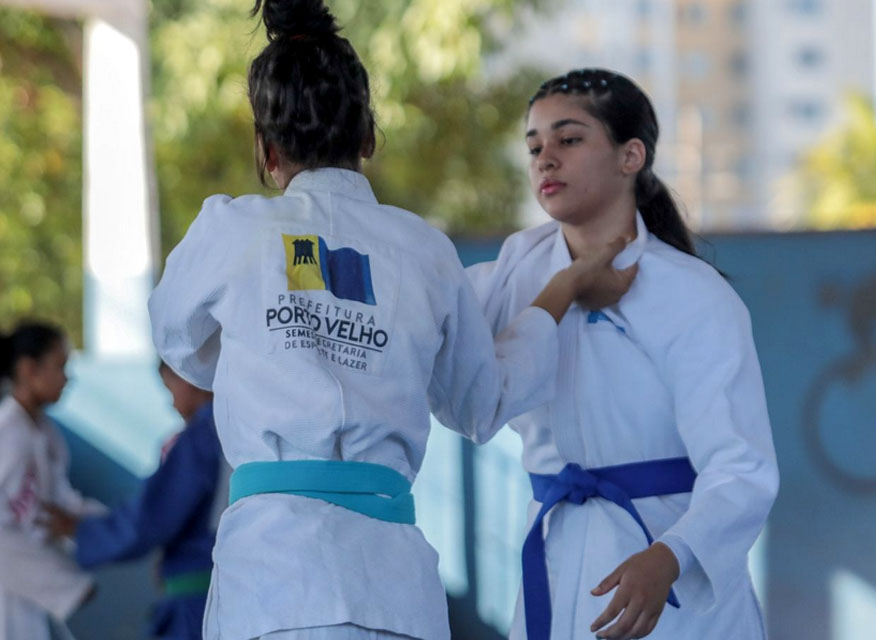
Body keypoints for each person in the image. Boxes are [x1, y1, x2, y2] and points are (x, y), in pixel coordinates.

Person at [147, 3, 637, 639]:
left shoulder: (231, 230)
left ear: (267, 152)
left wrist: (269, 350)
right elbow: (483, 406)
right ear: (369, 138)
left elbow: (178, 344)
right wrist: (562, 287)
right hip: (391, 595)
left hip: (271, 589)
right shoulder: (423, 251)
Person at [466, 68, 779, 640]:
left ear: (631, 155)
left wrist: (670, 557)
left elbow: (742, 468)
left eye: (570, 138)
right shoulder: (507, 278)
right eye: (534, 145)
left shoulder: (694, 293)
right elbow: (426, 337)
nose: (545, 159)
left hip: (674, 576)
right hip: (558, 565)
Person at [43, 362, 228, 640]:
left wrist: (81, 530)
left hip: (197, 606)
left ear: (187, 376)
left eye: (171, 388)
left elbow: (152, 517)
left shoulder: (201, 436)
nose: (173, 403)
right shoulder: (236, 428)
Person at [0, 322, 102, 640]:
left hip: (33, 594)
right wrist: (66, 583)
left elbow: (62, 504)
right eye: (60, 366)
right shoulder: (8, 434)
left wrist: (124, 524)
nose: (67, 378)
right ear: (30, 369)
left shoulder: (46, 435)